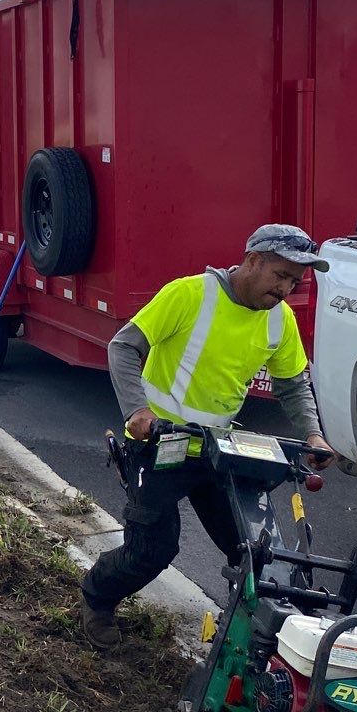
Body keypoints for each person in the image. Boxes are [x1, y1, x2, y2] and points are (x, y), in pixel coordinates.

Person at [82, 225, 334, 650]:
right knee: (153, 550)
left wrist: (314, 433)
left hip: (219, 449)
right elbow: (123, 347)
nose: (287, 288)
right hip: (160, 444)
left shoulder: (280, 319)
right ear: (253, 260)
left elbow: (292, 383)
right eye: (281, 275)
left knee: (255, 550)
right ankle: (96, 596)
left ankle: (243, 638)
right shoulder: (189, 294)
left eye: (295, 281)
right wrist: (137, 411)